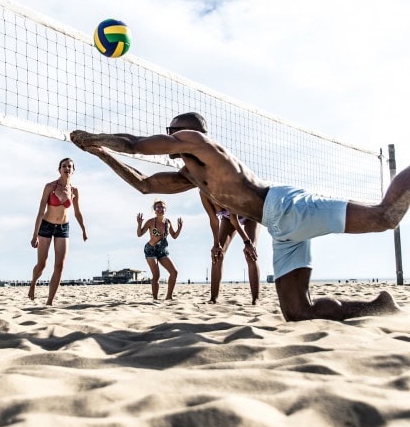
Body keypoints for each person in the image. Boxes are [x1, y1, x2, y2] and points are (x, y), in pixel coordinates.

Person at [70, 112, 409, 321]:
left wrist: (94, 137)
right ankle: (379, 306)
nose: (169, 136)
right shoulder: (191, 174)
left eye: (173, 131)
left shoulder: (200, 145)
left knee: (385, 217)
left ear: (189, 133)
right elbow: (144, 185)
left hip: (288, 208)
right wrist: (100, 153)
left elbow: (135, 144)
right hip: (279, 226)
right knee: (298, 313)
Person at [28, 158, 87, 306]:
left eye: (70, 166)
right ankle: (33, 283)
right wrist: (35, 234)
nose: (67, 168)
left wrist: (83, 230)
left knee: (59, 266)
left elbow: (78, 213)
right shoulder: (49, 187)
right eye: (64, 166)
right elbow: (41, 211)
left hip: (63, 227)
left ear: (73, 171)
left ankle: (49, 302)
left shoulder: (75, 191)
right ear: (59, 169)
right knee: (42, 264)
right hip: (46, 226)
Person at [200, 192, 261, 304]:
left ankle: (256, 299)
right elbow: (213, 220)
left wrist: (247, 243)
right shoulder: (203, 193)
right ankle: (214, 299)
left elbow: (235, 220)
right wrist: (216, 244)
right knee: (217, 254)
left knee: (250, 254)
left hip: (251, 214)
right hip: (229, 218)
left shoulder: (225, 187)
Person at [137, 199, 183, 302]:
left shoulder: (168, 222)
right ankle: (155, 298)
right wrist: (139, 224)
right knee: (156, 275)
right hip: (151, 250)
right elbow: (139, 234)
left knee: (174, 272)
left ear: (165, 209)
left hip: (162, 250)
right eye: (158, 207)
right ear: (155, 210)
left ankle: (169, 297)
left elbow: (174, 236)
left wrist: (179, 228)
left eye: (162, 207)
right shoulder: (150, 222)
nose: (160, 209)